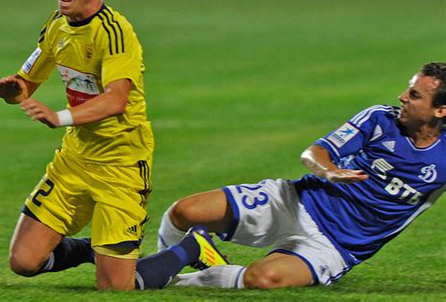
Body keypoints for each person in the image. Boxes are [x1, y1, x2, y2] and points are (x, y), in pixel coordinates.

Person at [156, 62, 446, 289]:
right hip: (295, 201)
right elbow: (315, 152)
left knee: (263, 279)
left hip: (335, 246)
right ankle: (163, 263)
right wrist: (329, 172)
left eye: (415, 95)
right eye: (408, 89)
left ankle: (169, 282)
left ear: (441, 110)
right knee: (184, 211)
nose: (402, 96)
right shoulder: (379, 119)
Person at [0, 0, 161, 291]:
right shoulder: (58, 26)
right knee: (23, 262)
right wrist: (14, 91)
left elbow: (116, 100)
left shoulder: (116, 34)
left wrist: (60, 117)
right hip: (75, 159)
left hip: (121, 164)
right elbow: (27, 82)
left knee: (116, 289)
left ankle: (190, 248)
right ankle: (91, 250)